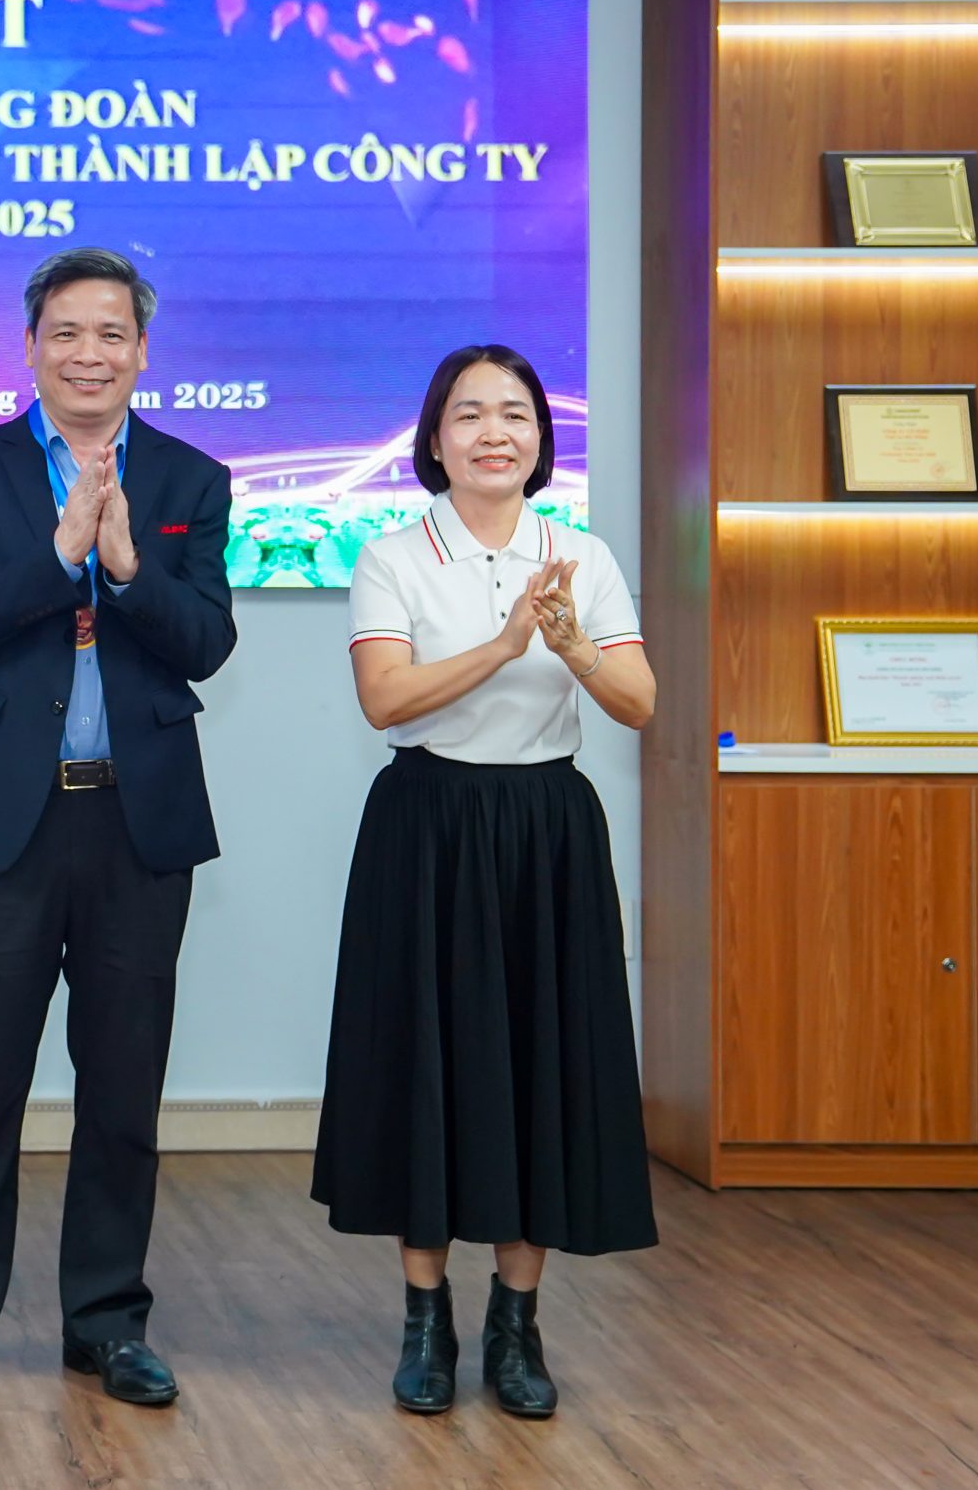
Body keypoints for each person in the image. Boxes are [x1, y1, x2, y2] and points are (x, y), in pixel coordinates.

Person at [0, 248, 236, 1409]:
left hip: (137, 821)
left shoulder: (189, 478)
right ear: (31, 347)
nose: (89, 354)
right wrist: (58, 557)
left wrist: (127, 568)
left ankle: (107, 1322)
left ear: (142, 352)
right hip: (5, 820)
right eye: (67, 333)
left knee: (123, 1091)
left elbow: (206, 643)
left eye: (111, 334)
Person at [311, 344, 658, 1420]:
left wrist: (573, 645)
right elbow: (386, 700)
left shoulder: (582, 554)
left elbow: (638, 704)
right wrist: (509, 645)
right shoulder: (393, 557)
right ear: (434, 440)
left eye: (515, 413)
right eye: (469, 414)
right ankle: (426, 1319)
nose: (493, 432)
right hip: (427, 825)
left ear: (542, 440)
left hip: (546, 828)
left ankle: (517, 1322)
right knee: (424, 1061)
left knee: (537, 1065)